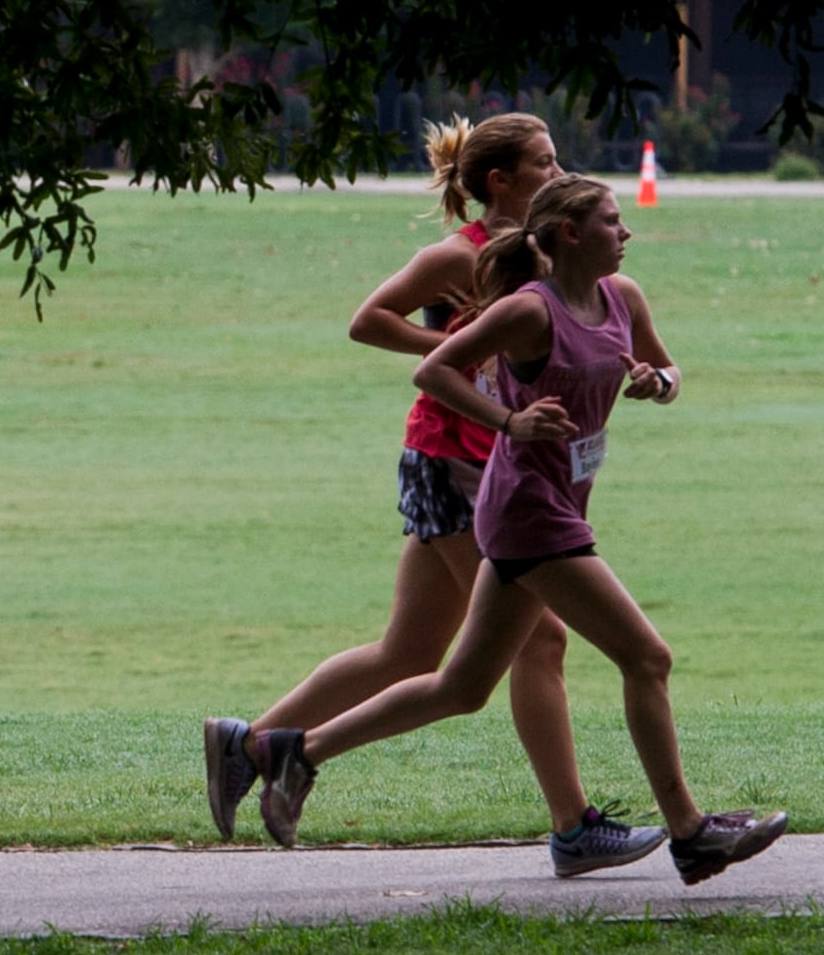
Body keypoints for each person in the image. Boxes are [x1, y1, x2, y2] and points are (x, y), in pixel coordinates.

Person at [238, 176, 788, 884]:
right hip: (529, 510)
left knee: (462, 687)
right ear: (568, 234)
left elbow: (669, 366)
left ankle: (298, 753)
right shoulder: (531, 311)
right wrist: (510, 420)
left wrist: (659, 383)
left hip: (560, 499)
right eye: (613, 223)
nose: (627, 233)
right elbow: (436, 369)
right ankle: (691, 833)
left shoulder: (624, 298)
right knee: (647, 657)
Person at [201, 113, 594, 855]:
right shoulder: (458, 255)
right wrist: (445, 342)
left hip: (488, 458)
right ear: (498, 182)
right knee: (540, 637)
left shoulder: (537, 253)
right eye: (544, 163)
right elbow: (368, 320)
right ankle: (575, 827)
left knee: (407, 654)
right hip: (451, 458)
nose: (559, 171)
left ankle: (249, 746)